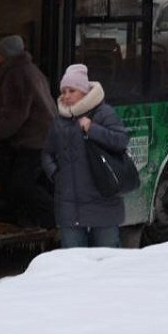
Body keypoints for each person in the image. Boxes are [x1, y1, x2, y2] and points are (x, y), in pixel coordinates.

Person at [42, 63, 130, 248]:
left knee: (106, 259)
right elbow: (47, 153)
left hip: (103, 205)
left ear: (84, 92)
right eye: (63, 91)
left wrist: (92, 129)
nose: (66, 96)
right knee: (73, 262)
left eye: (72, 91)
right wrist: (56, 175)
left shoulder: (103, 113)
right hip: (70, 210)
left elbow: (121, 141)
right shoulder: (59, 121)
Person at [0, 35, 56, 228]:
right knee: (26, 183)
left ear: (7, 55)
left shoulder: (15, 74)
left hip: (34, 140)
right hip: (44, 136)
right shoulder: (30, 70)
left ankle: (53, 217)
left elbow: (15, 113)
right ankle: (34, 220)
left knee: (21, 185)